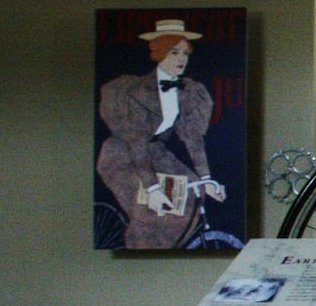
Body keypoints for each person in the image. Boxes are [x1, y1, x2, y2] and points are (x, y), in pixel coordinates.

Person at [96, 18, 225, 250]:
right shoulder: (134, 91)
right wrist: (152, 188)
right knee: (147, 208)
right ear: (159, 52)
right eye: (174, 52)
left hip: (156, 154)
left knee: (193, 191)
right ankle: (140, 256)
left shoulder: (188, 91)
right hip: (122, 156)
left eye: (185, 53)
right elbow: (135, 141)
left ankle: (167, 251)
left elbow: (193, 138)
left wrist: (206, 178)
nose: (181, 59)